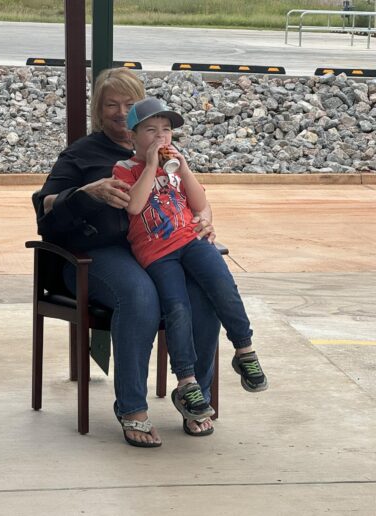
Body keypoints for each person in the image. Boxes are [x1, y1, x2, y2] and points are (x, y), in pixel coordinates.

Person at [35, 67, 221, 447]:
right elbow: (45, 205)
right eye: (111, 106)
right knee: (139, 296)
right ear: (98, 112)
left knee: (205, 291)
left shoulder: (163, 148)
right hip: (98, 255)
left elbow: (189, 196)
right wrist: (88, 192)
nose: (121, 113)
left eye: (130, 104)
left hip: (161, 252)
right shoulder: (82, 153)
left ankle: (194, 396)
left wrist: (206, 216)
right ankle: (132, 408)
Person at [113, 97, 268, 423]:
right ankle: (187, 382)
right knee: (178, 308)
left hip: (192, 240)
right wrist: (152, 165)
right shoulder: (125, 169)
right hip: (157, 254)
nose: (161, 137)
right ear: (133, 138)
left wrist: (182, 167)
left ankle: (244, 350)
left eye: (166, 130)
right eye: (151, 130)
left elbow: (199, 202)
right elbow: (134, 206)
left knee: (223, 285)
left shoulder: (176, 166)